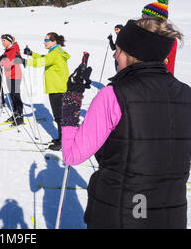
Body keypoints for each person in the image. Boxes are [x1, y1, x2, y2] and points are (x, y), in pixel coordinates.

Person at [60, 17, 191, 228]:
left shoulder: (113, 95)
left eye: (118, 49)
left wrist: (71, 101)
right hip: (170, 217)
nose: (114, 54)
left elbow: (73, 154)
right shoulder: (186, 94)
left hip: (121, 215)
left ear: (131, 53)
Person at [19, 33, 70, 151]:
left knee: (59, 117)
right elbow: (44, 58)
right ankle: (61, 138)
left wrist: (25, 62)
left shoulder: (55, 54)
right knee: (59, 116)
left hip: (58, 89)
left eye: (47, 40)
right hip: (58, 88)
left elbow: (42, 62)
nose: (44, 42)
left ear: (54, 41)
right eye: (44, 40)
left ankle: (63, 142)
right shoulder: (55, 52)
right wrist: (31, 54)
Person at [142, 0, 177, 75]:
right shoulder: (148, 32)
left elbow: (165, 64)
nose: (142, 18)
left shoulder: (166, 37)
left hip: (159, 81)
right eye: (142, 15)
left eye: (145, 15)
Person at [0, 34, 24, 126]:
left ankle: (20, 116)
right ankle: (15, 114)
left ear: (9, 41)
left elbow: (9, 63)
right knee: (12, 96)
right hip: (9, 76)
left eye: (4, 41)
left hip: (16, 76)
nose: (2, 43)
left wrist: (3, 60)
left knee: (16, 96)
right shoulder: (7, 50)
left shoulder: (14, 49)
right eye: (2, 41)